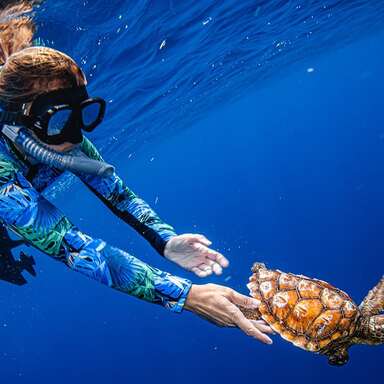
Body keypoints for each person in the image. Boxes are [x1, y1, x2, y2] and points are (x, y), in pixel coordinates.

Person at [0, 2, 273, 344]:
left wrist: (165, 240)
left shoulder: (60, 136)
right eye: (59, 120)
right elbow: (74, 246)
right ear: (20, 120)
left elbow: (117, 194)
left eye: (82, 114)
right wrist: (187, 296)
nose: (74, 134)